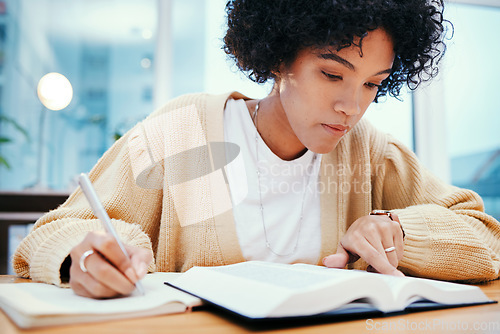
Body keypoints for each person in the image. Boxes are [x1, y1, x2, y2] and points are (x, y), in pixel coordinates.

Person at [13, 0, 500, 299]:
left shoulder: (367, 153)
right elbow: (55, 232)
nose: (352, 107)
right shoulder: (190, 132)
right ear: (279, 57)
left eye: (373, 84)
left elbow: (485, 239)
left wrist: (398, 231)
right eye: (332, 74)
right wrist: (93, 256)